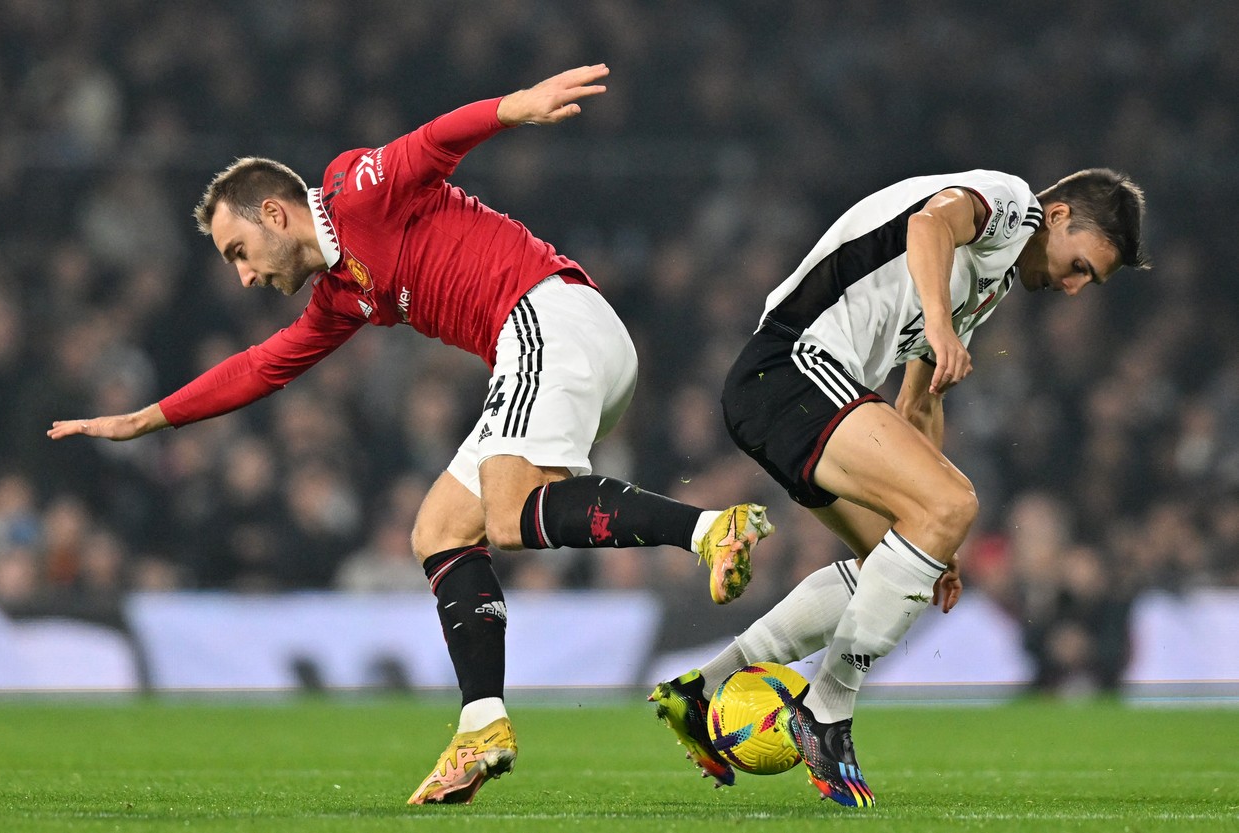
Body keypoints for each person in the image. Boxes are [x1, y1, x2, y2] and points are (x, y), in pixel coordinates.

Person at [48, 64, 774, 805]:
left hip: (545, 318)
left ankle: (711, 529)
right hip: (556, 345)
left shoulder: (352, 188)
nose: (241, 278)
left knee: (509, 514)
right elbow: (261, 368)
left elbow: (433, 142)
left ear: (274, 212)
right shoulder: (340, 297)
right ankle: (482, 722)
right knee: (439, 530)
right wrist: (148, 417)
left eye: (238, 252)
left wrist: (514, 108)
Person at [648, 168, 1148, 807]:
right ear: (1057, 216)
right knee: (953, 504)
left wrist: (935, 539)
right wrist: (939, 327)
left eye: (1089, 281)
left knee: (893, 557)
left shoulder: (987, 279)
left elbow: (919, 404)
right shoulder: (1012, 202)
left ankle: (701, 688)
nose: (1074, 288)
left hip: (789, 388)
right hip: (793, 366)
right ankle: (826, 711)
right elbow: (928, 224)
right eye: (1081, 265)